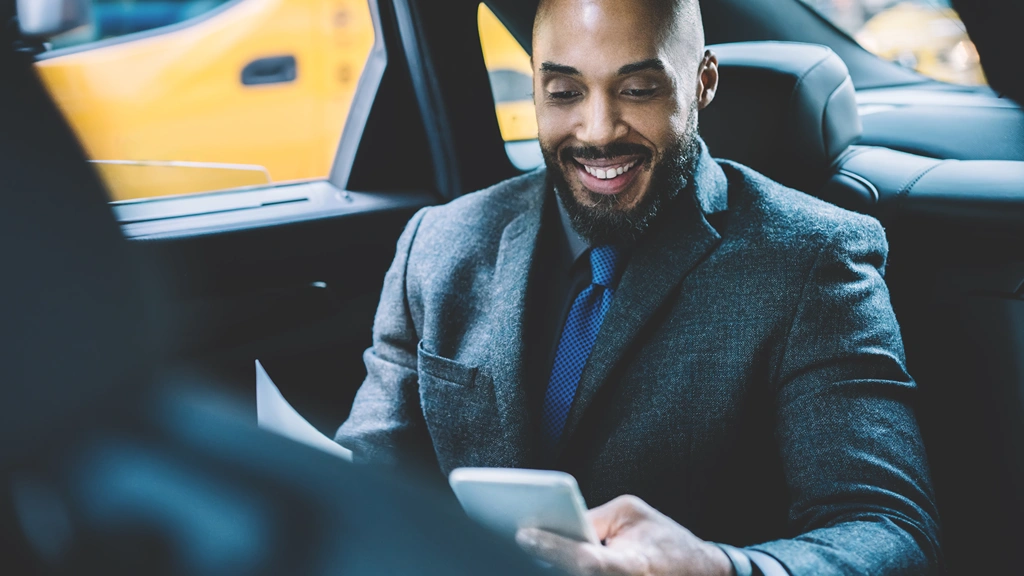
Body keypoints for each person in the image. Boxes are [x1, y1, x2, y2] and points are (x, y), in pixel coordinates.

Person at [336, 0, 941, 573]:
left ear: (702, 82)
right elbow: (362, 484)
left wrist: (719, 568)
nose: (598, 130)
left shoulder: (812, 261)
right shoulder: (438, 245)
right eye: (564, 92)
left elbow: (889, 531)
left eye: (638, 89)